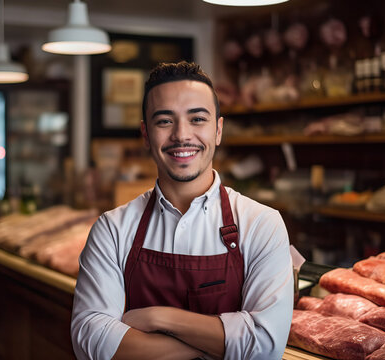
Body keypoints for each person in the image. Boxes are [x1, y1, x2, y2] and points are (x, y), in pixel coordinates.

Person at [71, 61, 293, 360]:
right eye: (164, 121)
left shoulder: (262, 224)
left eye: (197, 119)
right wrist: (218, 347)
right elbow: (90, 339)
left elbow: (265, 348)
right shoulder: (112, 229)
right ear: (146, 135)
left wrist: (158, 318)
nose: (181, 135)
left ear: (218, 130)